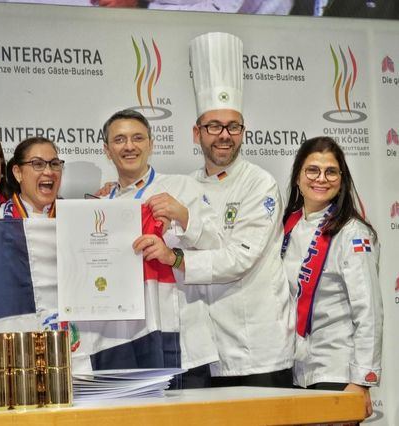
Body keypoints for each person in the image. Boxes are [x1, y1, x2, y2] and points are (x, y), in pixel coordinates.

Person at [155, 32, 294, 387]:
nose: (224, 135)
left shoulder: (258, 184)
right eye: (214, 126)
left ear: (243, 131)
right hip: (205, 353)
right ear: (196, 132)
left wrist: (178, 257)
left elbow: (238, 259)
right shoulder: (183, 186)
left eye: (233, 126)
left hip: (257, 349)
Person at [100, 108, 220, 388]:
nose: (129, 146)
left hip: (184, 340)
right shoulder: (103, 206)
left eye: (138, 138)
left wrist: (183, 216)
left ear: (151, 144)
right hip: (130, 342)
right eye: (119, 140)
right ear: (107, 150)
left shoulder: (181, 187)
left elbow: (217, 246)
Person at [282, 136, 382, 417]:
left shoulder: (353, 233)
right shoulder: (285, 227)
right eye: (312, 170)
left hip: (337, 372)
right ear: (297, 178)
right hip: (292, 373)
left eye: (331, 171)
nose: (321, 179)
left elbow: (369, 311)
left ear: (341, 179)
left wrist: (362, 380)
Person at [3, 137, 64, 218]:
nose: (49, 172)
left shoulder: (75, 216)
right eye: (38, 164)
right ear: (18, 173)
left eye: (54, 164)